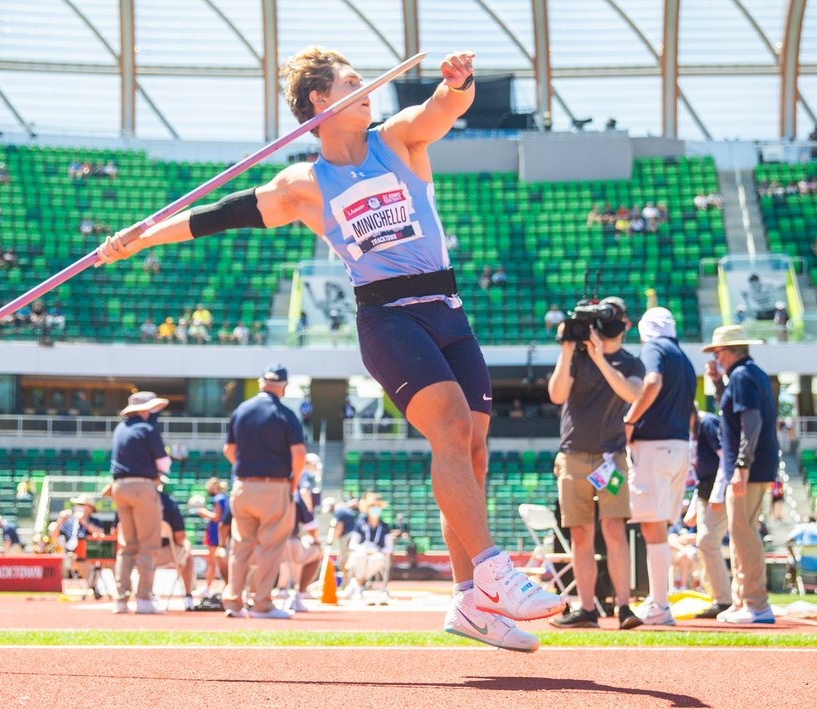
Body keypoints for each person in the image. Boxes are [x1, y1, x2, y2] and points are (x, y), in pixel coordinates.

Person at [96, 47, 563, 651]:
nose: (367, 89)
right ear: (320, 101)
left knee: (471, 453)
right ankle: (498, 572)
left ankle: (470, 600)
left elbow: (442, 110)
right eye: (351, 83)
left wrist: (459, 83)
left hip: (447, 311)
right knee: (448, 425)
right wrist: (139, 239)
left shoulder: (396, 140)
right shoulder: (302, 185)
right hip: (389, 318)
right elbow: (218, 215)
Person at [546, 297, 644, 629]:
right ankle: (586, 608)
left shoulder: (631, 363)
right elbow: (557, 395)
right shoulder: (576, 358)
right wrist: (568, 349)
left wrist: (601, 357)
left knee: (614, 529)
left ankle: (624, 607)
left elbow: (631, 394)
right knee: (580, 533)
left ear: (626, 325)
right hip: (574, 456)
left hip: (610, 457)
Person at [621, 307, 696, 626]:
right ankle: (659, 600)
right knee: (661, 526)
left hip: (654, 445)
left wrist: (629, 419)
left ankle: (660, 605)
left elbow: (651, 381)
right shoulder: (684, 356)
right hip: (680, 445)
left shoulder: (653, 349)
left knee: (652, 527)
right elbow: (691, 409)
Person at [703, 325, 778, 624]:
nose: (716, 357)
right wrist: (717, 384)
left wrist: (742, 467)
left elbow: (751, 422)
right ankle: (742, 600)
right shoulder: (747, 374)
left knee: (744, 535)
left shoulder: (742, 375)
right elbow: (735, 415)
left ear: (728, 351)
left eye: (718, 351)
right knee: (739, 534)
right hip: (752, 465)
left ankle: (756, 604)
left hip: (749, 467)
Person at [221, 364, 306, 619]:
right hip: (273, 486)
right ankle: (261, 603)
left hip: (243, 486)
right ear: (284, 386)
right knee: (271, 546)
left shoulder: (241, 410)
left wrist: (245, 470)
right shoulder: (285, 413)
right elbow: (299, 454)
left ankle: (233, 602)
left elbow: (228, 450)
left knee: (241, 546)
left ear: (261, 383)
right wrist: (293, 481)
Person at [110, 391, 172, 614]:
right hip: (142, 487)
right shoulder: (148, 429)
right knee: (147, 544)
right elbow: (164, 465)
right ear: (146, 409)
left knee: (128, 546)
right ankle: (144, 598)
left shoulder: (120, 429)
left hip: (119, 487)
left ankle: (121, 599)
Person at [688, 406, 731, 618]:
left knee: (707, 541)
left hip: (718, 492)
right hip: (705, 492)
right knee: (704, 545)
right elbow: (700, 471)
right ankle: (717, 597)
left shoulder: (707, 423)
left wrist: (718, 492)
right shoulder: (695, 429)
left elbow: (726, 457)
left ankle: (724, 600)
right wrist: (694, 505)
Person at [155, 481, 197, 611]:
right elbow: (180, 536)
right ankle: (188, 596)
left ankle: (125, 597)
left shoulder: (129, 503)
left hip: (137, 555)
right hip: (164, 553)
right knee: (187, 552)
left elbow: (117, 532)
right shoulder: (168, 501)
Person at [345, 502, 393, 598]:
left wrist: (377, 550)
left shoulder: (385, 527)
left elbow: (389, 547)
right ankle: (359, 585)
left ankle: (357, 583)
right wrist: (363, 548)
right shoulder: (360, 525)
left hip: (377, 554)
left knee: (378, 558)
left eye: (377, 508)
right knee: (360, 556)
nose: (375, 511)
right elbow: (353, 544)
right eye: (373, 508)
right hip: (362, 553)